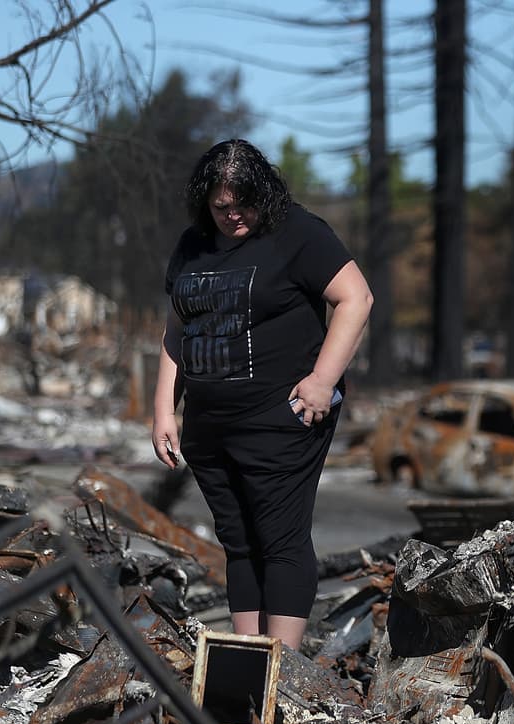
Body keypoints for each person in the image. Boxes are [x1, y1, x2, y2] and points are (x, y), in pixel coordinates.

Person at [151, 139, 373, 651]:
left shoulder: (298, 233)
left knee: (280, 538)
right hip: (210, 424)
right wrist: (164, 409)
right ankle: (247, 657)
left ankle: (281, 668)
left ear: (264, 193)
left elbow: (356, 298)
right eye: (221, 207)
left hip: (280, 419)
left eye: (243, 204)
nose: (233, 216)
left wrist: (322, 381)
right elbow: (176, 330)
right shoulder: (193, 244)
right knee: (239, 541)